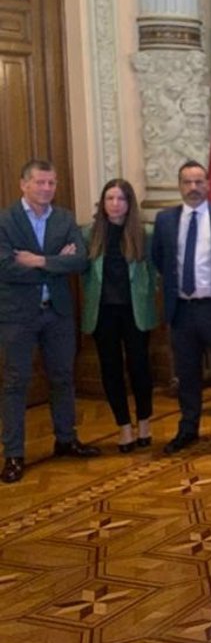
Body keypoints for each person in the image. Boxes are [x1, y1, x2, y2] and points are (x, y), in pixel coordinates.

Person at [0, 159, 96, 484]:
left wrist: (38, 260)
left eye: (51, 183)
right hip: (17, 317)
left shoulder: (64, 218)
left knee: (63, 377)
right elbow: (5, 267)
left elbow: (80, 261)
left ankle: (66, 439)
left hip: (57, 313)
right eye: (40, 182)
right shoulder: (5, 221)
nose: (46, 188)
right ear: (23, 184)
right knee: (15, 383)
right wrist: (56, 263)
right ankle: (14, 454)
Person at [152, 160, 211, 453]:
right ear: (179, 186)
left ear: (208, 184)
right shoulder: (164, 220)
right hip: (182, 309)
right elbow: (159, 258)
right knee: (187, 373)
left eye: (198, 182)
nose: (193, 187)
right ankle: (188, 427)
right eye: (187, 182)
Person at [82, 179, 159, 453]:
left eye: (121, 199)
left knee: (139, 367)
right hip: (103, 313)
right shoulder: (89, 234)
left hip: (134, 311)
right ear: (102, 203)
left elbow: (155, 269)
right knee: (110, 368)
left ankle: (144, 422)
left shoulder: (145, 233)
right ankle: (124, 426)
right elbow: (83, 270)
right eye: (110, 198)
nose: (115, 204)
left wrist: (149, 291)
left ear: (129, 203)